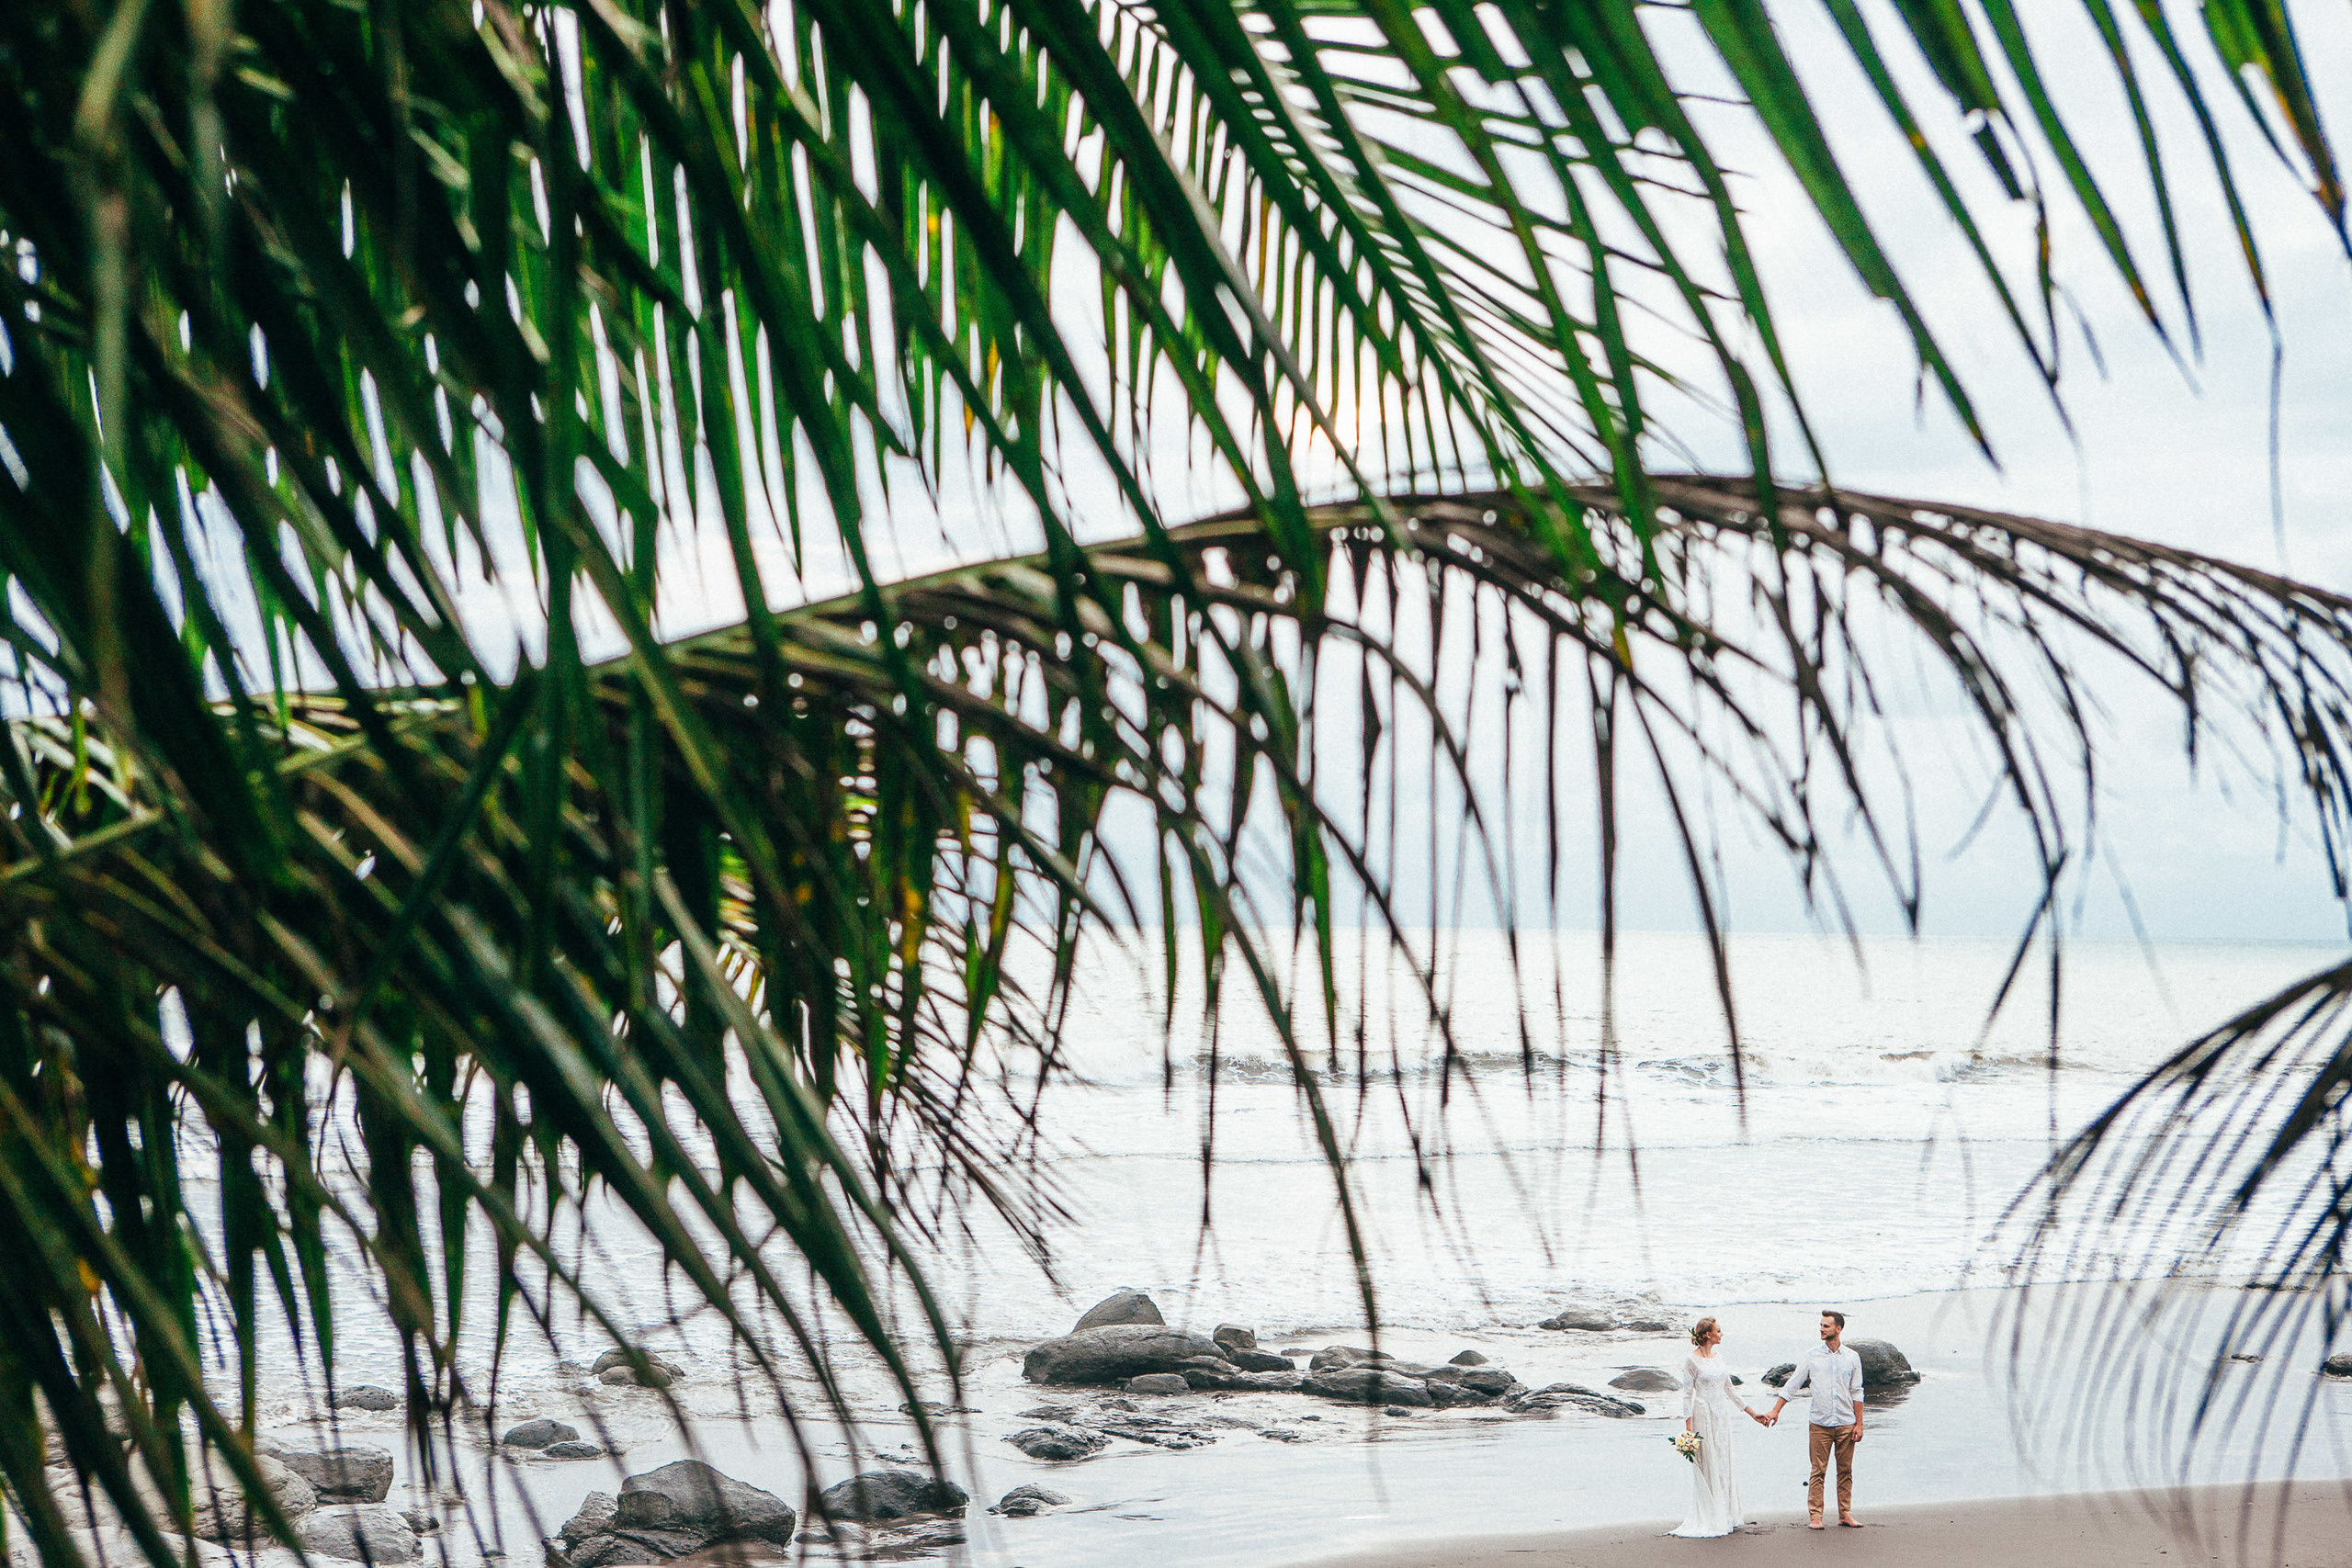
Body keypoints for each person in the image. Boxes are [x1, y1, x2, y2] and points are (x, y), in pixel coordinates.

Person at [1762, 1309, 1865, 1529]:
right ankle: (1816, 1517)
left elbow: (1857, 1391)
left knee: (1845, 1471)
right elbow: (1793, 1384)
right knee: (1818, 1471)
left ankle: (1845, 1514)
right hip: (1820, 1424)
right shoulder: (1812, 1356)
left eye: (1826, 1326)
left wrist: (1859, 1423)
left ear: (1839, 1329)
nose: (1821, 1329)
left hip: (1846, 1423)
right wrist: (1775, 1410)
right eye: (1821, 1325)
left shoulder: (1852, 1357)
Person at [1670, 1315, 1771, 1538]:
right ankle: (1711, 1515)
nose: (1721, 1334)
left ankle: (1725, 1514)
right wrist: (1688, 1430)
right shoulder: (1691, 1361)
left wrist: (1753, 1413)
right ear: (1707, 1334)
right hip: (1702, 1415)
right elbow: (1687, 1395)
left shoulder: (1719, 1358)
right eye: (1718, 1330)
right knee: (1709, 1463)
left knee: (1723, 1462)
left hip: (1720, 1416)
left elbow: (1730, 1390)